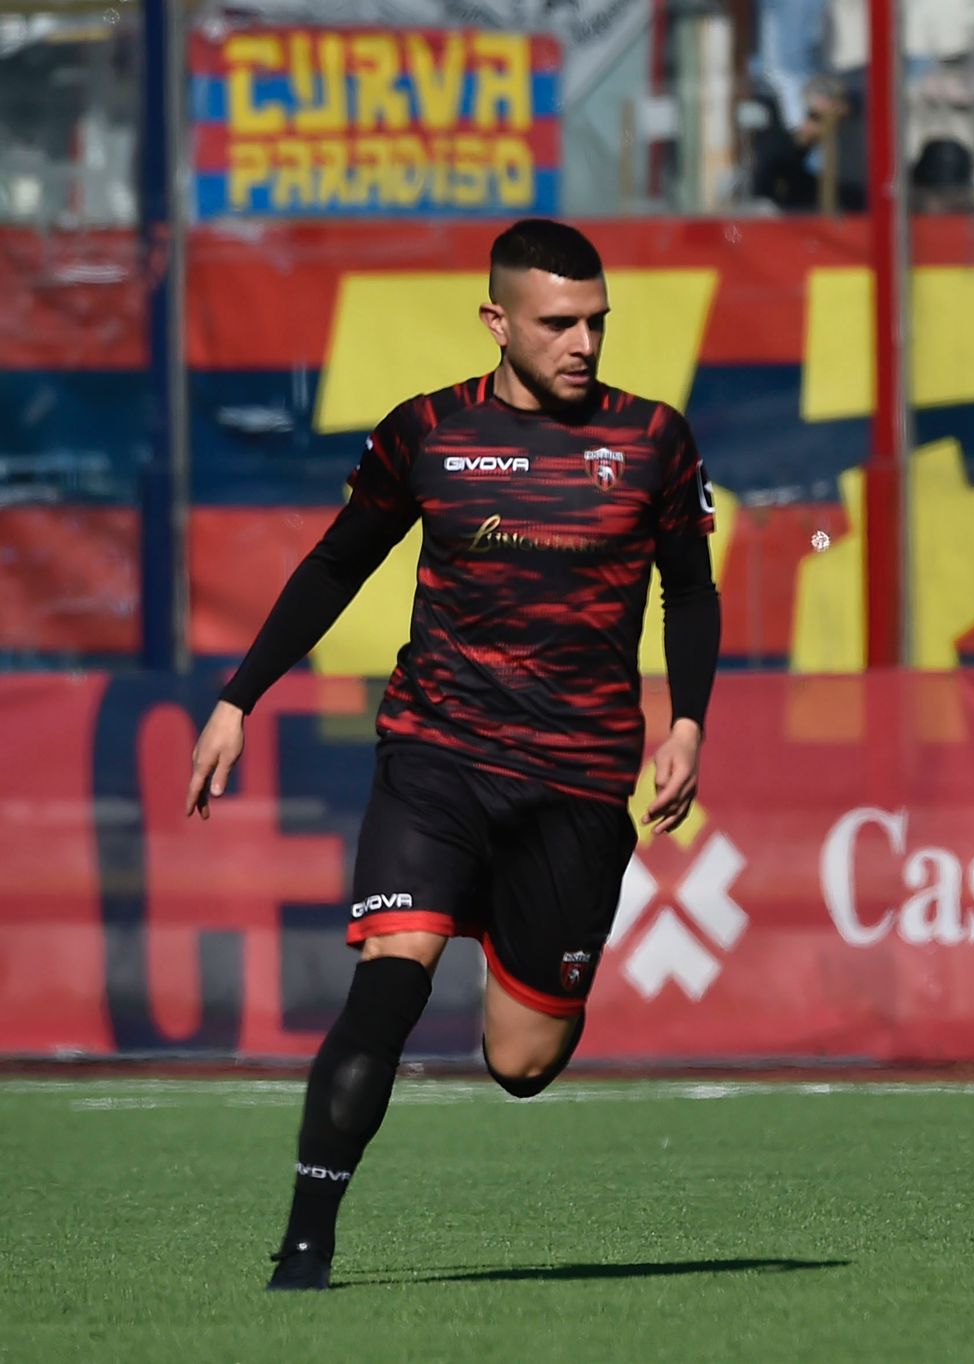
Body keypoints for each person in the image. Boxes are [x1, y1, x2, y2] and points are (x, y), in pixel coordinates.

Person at [185, 219, 722, 1291]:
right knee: (390, 976)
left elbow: (689, 587)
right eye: (558, 322)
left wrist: (689, 719)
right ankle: (305, 1242)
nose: (582, 341)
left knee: (522, 1062)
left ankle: (508, 932)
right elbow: (337, 564)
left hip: (576, 780)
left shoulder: (654, 440)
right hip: (437, 753)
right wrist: (238, 696)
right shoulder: (426, 432)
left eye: (596, 322)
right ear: (497, 321)